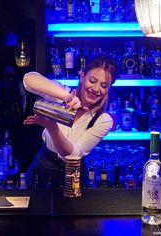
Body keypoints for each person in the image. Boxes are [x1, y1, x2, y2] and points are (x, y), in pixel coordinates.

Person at [23, 52, 117, 188]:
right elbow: (28, 80)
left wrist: (52, 126)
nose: (96, 89)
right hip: (43, 165)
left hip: (74, 175)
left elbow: (73, 154)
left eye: (104, 85)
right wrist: (65, 97)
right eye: (92, 81)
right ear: (83, 76)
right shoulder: (62, 93)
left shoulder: (103, 120)